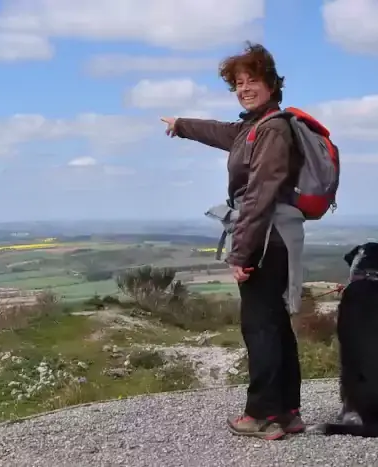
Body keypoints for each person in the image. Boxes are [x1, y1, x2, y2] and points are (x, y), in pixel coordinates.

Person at [161, 42, 305, 440]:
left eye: (252, 80)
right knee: (274, 324)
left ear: (272, 84)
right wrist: (181, 125)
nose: (244, 88)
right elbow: (221, 132)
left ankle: (261, 414)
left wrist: (241, 254)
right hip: (271, 236)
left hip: (266, 238)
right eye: (238, 83)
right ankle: (287, 412)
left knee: (260, 327)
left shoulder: (272, 129)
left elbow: (259, 195)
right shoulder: (253, 128)